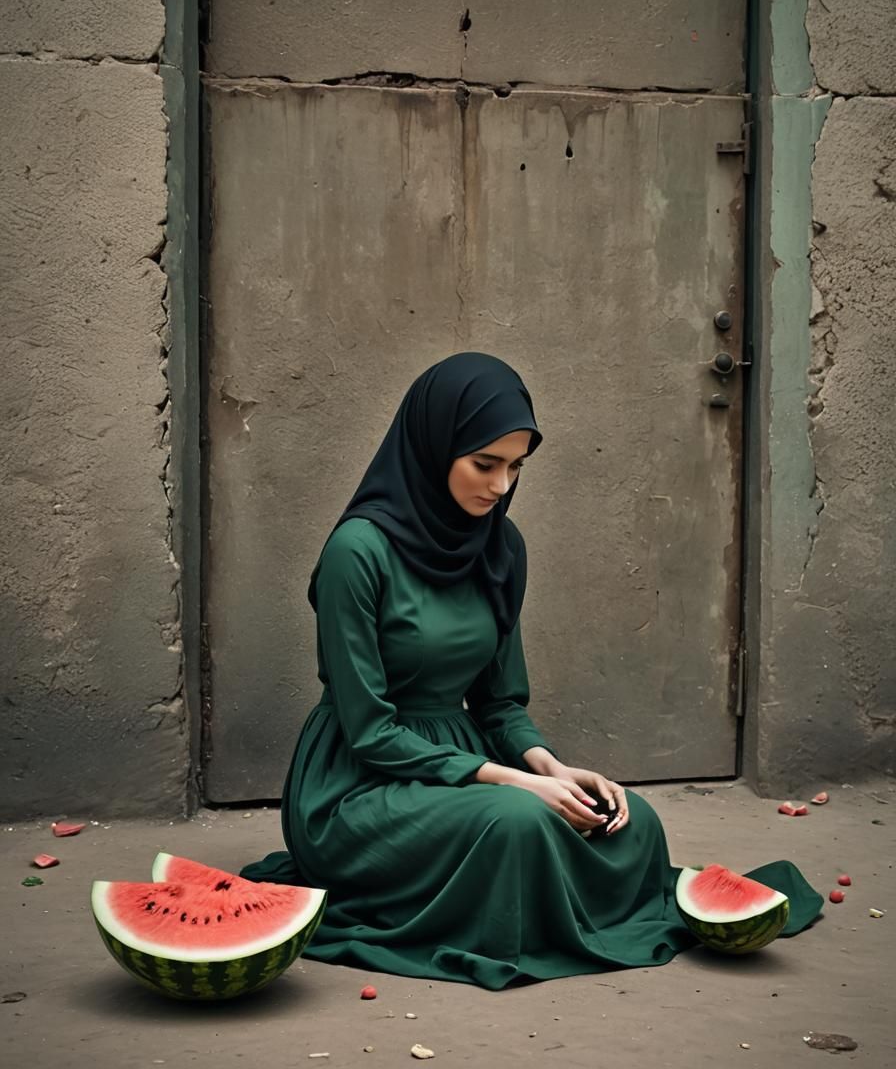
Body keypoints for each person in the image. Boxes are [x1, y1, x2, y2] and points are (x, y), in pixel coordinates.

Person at [242, 352, 821, 989]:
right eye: (484, 463)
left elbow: (498, 703)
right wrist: (513, 783)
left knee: (633, 821)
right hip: (357, 784)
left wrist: (550, 767)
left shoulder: (501, 545)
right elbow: (369, 731)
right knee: (516, 822)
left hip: (469, 764)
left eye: (515, 467)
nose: (500, 486)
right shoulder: (356, 552)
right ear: (433, 447)